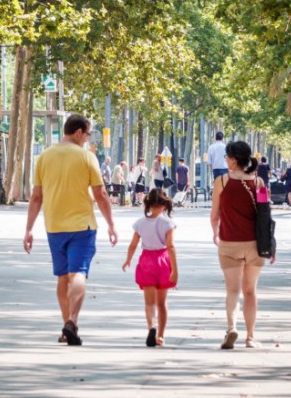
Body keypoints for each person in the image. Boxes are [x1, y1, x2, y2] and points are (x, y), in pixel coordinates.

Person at [23, 114, 118, 346]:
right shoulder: (87, 157)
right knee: (78, 273)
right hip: (82, 226)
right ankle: (72, 321)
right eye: (87, 134)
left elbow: (36, 196)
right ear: (78, 132)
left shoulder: (44, 157)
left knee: (63, 276)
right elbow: (101, 194)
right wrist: (111, 224)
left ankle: (65, 323)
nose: (87, 139)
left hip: (54, 226)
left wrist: (28, 230)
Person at [210, 140, 275, 349]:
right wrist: (271, 245)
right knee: (250, 291)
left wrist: (215, 233)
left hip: (229, 242)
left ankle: (231, 328)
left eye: (227, 157)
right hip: (254, 245)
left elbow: (214, 215)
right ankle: (250, 337)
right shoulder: (258, 183)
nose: (225, 160)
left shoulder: (221, 181)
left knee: (232, 291)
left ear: (234, 159)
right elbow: (265, 217)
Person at [122, 188, 178, 347]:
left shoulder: (140, 223)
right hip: (162, 260)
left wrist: (128, 260)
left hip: (146, 260)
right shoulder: (168, 223)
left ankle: (151, 327)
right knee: (162, 303)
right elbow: (171, 247)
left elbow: (133, 245)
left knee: (149, 302)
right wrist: (175, 269)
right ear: (164, 205)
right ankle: (160, 335)